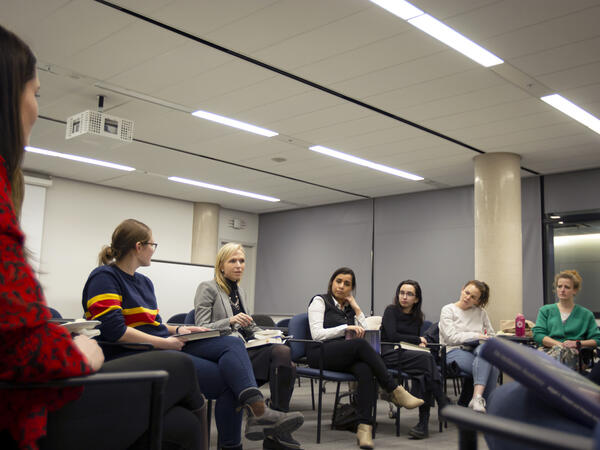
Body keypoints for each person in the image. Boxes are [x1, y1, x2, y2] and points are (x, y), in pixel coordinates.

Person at [0, 24, 206, 450]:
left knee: (183, 421)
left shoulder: (144, 283)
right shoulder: (104, 278)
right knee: (180, 369)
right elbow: (102, 333)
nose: (37, 108)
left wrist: (171, 330)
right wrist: (79, 349)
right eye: (35, 94)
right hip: (26, 399)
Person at [82, 219, 303, 450]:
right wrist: (163, 343)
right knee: (230, 378)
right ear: (138, 247)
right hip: (132, 352)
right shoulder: (104, 277)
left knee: (231, 352)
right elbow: (114, 330)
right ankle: (259, 413)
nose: (153, 250)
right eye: (152, 245)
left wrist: (180, 330)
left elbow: (154, 323)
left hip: (158, 344)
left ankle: (257, 415)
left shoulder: (144, 282)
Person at [194, 243, 300, 450]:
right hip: (224, 350)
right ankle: (272, 425)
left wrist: (269, 334)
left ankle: (275, 423)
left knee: (283, 352)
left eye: (242, 261)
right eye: (233, 261)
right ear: (221, 266)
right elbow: (201, 327)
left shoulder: (239, 291)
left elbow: (249, 327)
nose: (239, 265)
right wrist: (230, 321)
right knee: (285, 363)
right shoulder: (207, 288)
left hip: (245, 347)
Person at [307, 267, 424, 449]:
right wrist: (344, 329)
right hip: (320, 352)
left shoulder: (348, 309)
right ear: (332, 283)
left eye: (347, 284)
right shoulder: (319, 301)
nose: (341, 286)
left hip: (343, 353)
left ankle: (364, 428)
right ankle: (393, 389)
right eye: (338, 281)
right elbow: (316, 334)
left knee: (365, 369)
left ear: (351, 289)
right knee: (361, 346)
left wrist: (356, 308)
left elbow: (365, 330)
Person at [381, 280, 448, 439]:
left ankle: (422, 425)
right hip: (388, 353)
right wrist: (417, 339)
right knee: (426, 359)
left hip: (406, 355)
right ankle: (442, 401)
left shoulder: (418, 318)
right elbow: (392, 336)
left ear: (416, 299)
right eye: (401, 293)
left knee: (423, 374)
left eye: (409, 294)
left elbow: (409, 342)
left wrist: (415, 341)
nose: (404, 297)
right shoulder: (390, 311)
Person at [439, 280, 498, 414]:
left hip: (477, 351)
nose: (467, 298)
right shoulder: (448, 310)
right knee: (491, 367)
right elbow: (451, 338)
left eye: (473, 297)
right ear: (462, 289)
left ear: (477, 301)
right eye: (467, 293)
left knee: (487, 356)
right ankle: (487, 408)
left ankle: (476, 399)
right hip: (454, 351)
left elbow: (491, 335)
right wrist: (476, 335)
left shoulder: (481, 313)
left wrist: (483, 338)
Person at [532, 270, 600, 369]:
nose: (562, 290)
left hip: (575, 355)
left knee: (562, 358)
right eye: (559, 286)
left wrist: (577, 343)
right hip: (549, 352)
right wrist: (560, 345)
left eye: (567, 287)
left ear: (575, 290)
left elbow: (597, 340)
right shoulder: (545, 310)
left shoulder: (586, 314)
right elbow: (538, 335)